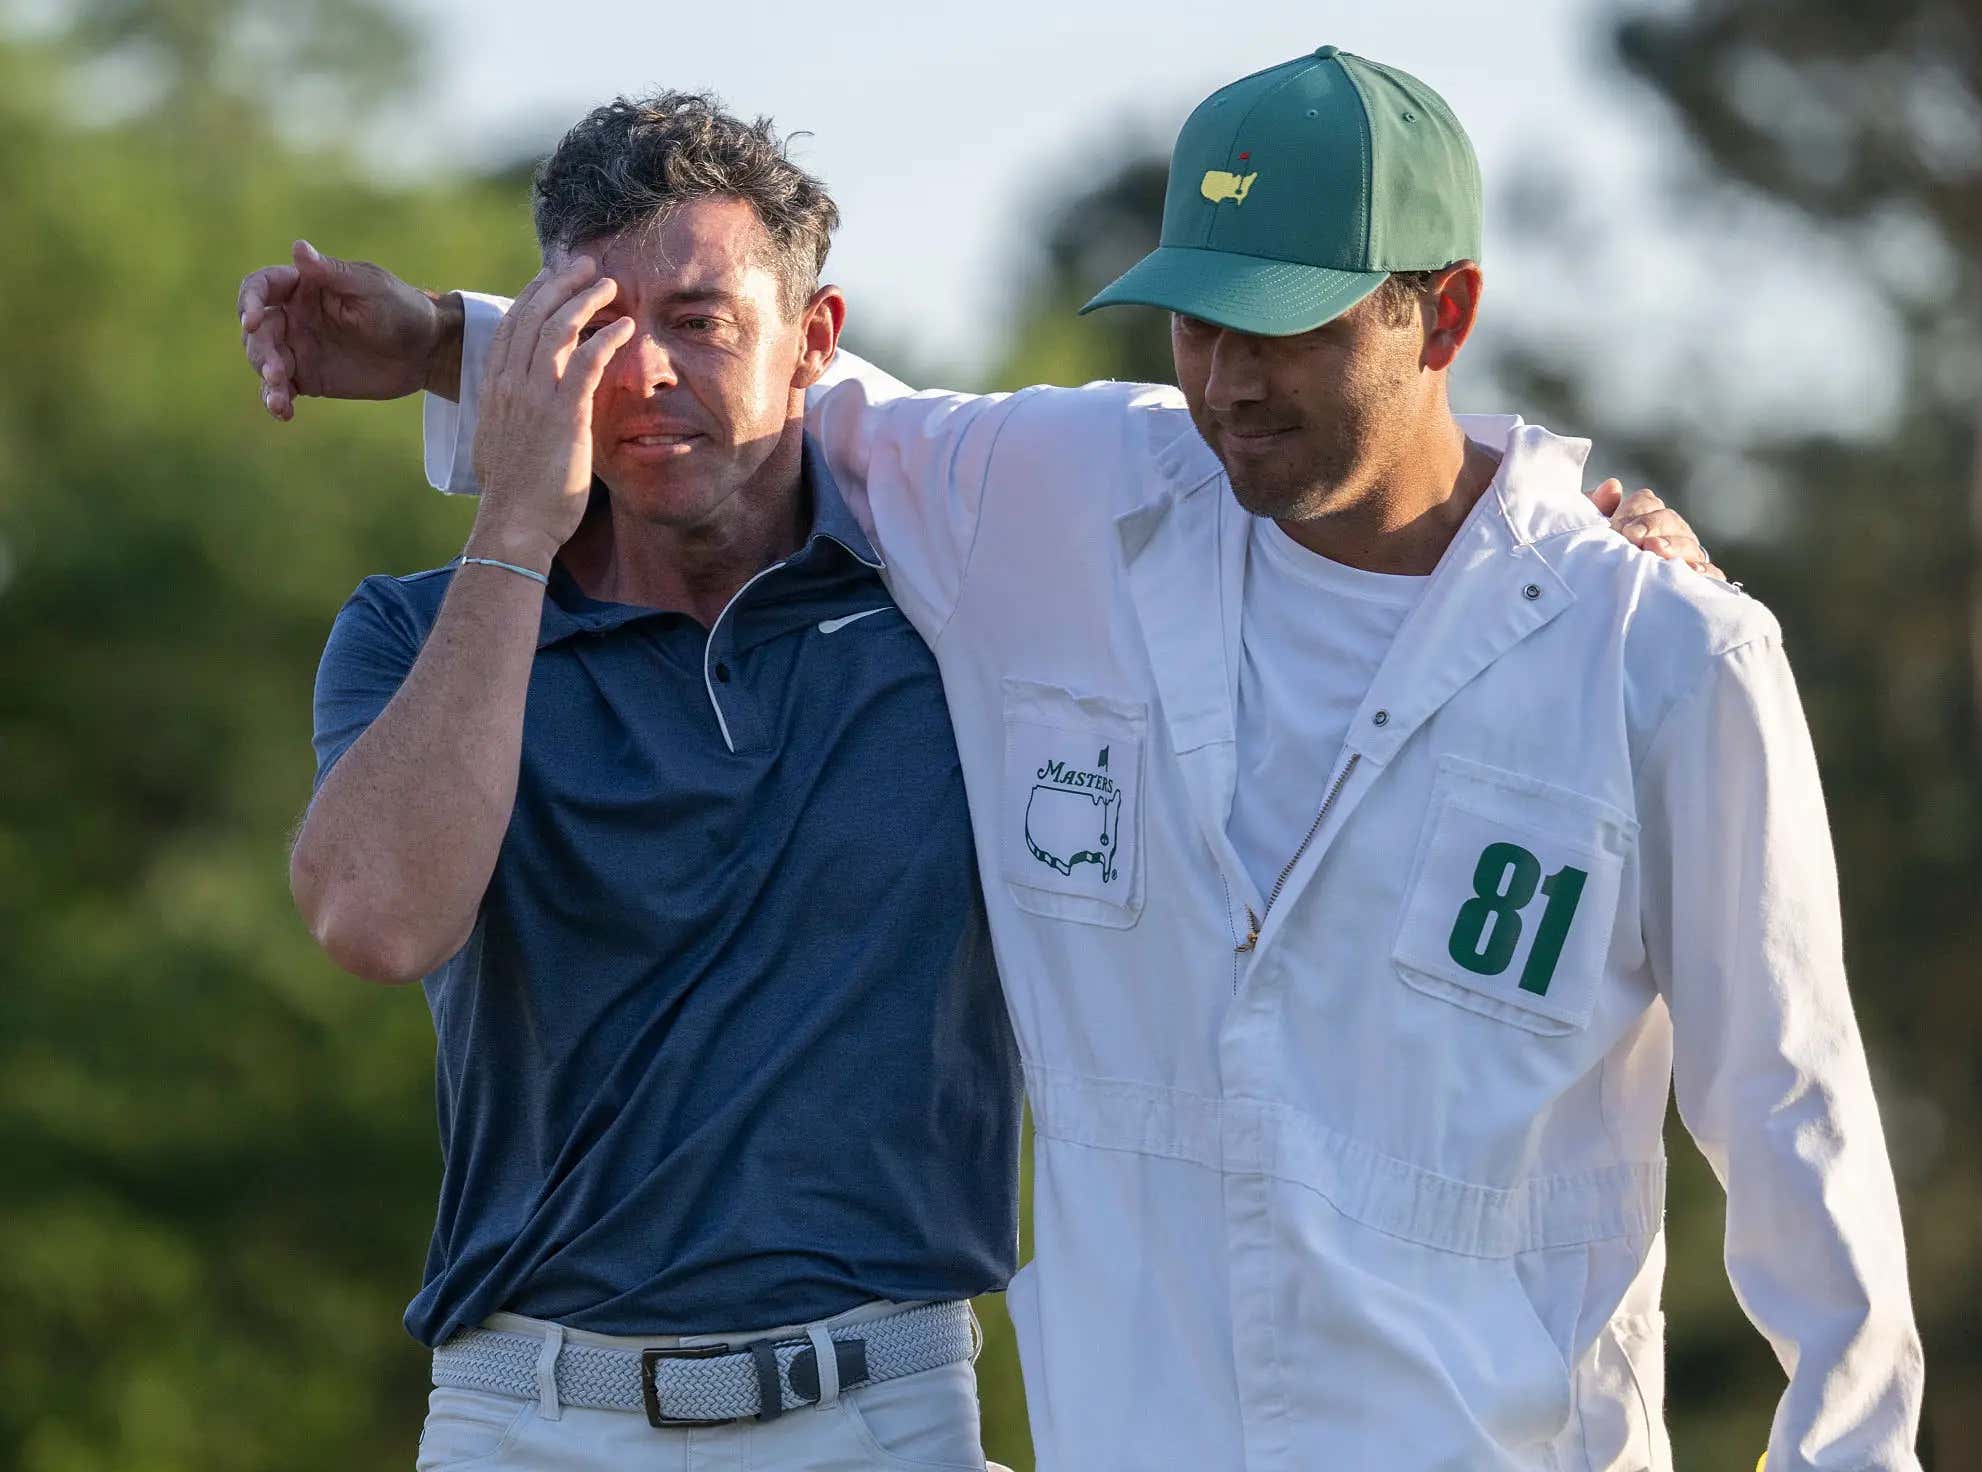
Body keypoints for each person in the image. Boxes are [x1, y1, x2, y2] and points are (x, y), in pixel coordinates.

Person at [233, 63, 1849, 1472]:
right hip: (553, 1414)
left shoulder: (972, 595)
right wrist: (483, 393)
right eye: (1194, 322)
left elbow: (1794, 1119)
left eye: (1276, 327)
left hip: (914, 1420)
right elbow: (376, 913)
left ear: (1443, 312)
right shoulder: (1035, 528)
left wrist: (1623, 584)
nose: (1222, 377)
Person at [281, 96, 1021, 1470]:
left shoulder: (954, 616)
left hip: (888, 1415)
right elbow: (374, 921)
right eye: (599, 329)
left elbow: (1185, 476)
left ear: (815, 341)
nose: (644, 377)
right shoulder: (416, 634)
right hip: (525, 1416)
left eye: (700, 322)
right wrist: (515, 522)